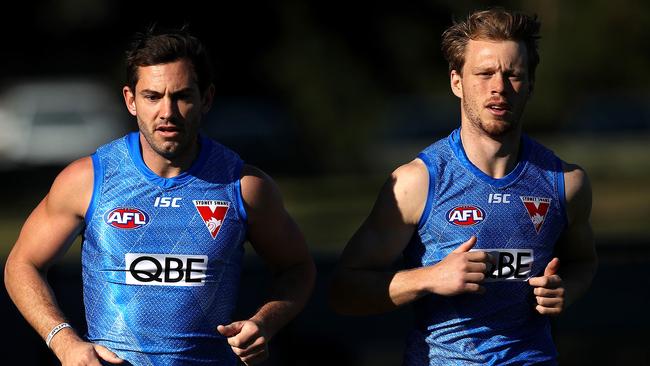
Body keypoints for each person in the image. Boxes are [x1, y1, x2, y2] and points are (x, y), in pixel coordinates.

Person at [4, 25, 316, 366]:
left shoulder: (244, 186)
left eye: (181, 96)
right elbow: (22, 264)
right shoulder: (88, 180)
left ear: (206, 98)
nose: (167, 112)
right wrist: (64, 342)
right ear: (131, 100)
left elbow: (297, 268)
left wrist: (264, 323)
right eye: (152, 96)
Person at [329, 7, 597, 365]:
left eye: (513, 74)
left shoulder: (565, 183)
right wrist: (429, 278)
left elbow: (583, 262)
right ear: (457, 82)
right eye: (484, 73)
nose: (499, 87)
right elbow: (345, 292)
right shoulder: (417, 182)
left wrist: (564, 291)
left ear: (530, 84)